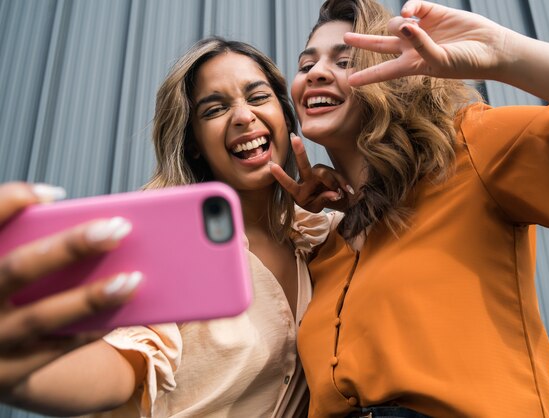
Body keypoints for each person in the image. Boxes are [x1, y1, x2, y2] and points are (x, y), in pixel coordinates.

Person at [270, 0, 549, 417]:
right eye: (305, 64)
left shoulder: (470, 150)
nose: (315, 72)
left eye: (345, 60)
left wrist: (504, 51)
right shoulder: (327, 249)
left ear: (399, 79)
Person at [0, 37, 329, 417]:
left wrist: (351, 199)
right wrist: (23, 376)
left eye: (257, 98)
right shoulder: (169, 249)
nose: (242, 116)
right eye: (214, 109)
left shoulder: (320, 236)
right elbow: (125, 364)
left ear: (285, 116)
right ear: (193, 143)